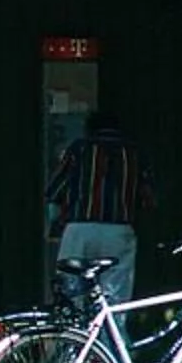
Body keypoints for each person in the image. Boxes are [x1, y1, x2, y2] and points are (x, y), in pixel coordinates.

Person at [46, 110, 151, 303]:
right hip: (119, 228)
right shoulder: (133, 153)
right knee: (115, 295)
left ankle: (74, 332)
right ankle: (110, 331)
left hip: (80, 227)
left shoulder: (79, 149)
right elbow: (146, 198)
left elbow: (56, 190)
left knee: (72, 290)